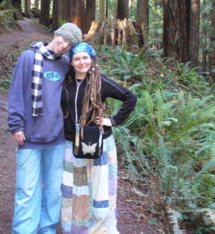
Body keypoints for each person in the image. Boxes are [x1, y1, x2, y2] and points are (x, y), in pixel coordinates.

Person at [7, 23, 82, 234]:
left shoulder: (66, 65)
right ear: (56, 34)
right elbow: (16, 92)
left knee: (53, 191)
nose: (64, 45)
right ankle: (24, 230)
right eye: (63, 39)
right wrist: (16, 125)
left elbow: (77, 93)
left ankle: (47, 229)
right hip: (29, 137)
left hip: (56, 138)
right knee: (27, 190)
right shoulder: (28, 57)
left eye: (69, 44)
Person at [60, 43, 137, 233]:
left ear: (92, 59)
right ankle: (75, 228)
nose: (81, 62)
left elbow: (130, 97)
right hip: (72, 144)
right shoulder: (66, 82)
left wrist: (114, 120)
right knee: (74, 188)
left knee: (100, 188)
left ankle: (100, 228)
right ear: (71, 62)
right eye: (77, 58)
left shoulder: (100, 81)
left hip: (99, 144)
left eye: (85, 58)